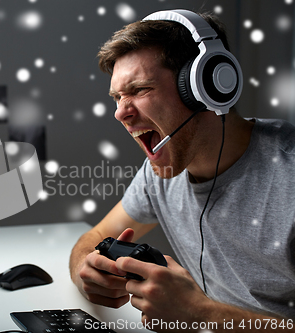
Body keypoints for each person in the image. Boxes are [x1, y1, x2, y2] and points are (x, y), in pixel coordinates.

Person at [69, 10, 295, 332]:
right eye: (117, 97)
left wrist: (200, 313)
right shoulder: (162, 168)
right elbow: (93, 237)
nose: (120, 112)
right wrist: (84, 270)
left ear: (207, 85)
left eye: (139, 90)